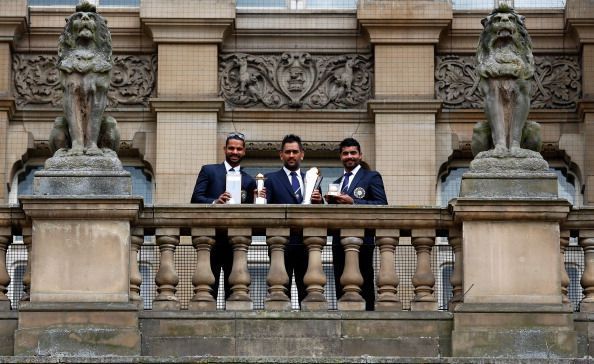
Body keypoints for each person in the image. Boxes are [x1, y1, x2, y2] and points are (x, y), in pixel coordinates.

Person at [190, 132, 258, 302]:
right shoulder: (209, 170)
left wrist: (258, 198)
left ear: (244, 152)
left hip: (236, 241)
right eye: (231, 148)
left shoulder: (249, 180)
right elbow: (196, 198)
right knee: (207, 290)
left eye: (239, 149)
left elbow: (250, 210)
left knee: (235, 289)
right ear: (225, 149)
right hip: (211, 239)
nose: (235, 152)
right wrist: (215, 201)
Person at [326, 137, 388, 311]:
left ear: (360, 155)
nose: (349, 156)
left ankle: (368, 317)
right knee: (340, 279)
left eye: (353, 153)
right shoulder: (337, 183)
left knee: (364, 280)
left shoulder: (371, 177)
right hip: (339, 240)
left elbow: (382, 205)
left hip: (363, 240)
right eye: (345, 153)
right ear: (340, 157)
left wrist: (352, 202)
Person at [264, 134, 322, 304]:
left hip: (307, 243)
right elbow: (264, 210)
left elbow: (320, 213)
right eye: (287, 152)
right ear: (281, 154)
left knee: (309, 291)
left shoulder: (311, 178)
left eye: (295, 152)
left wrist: (320, 201)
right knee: (280, 291)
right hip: (281, 243)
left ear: (302, 154)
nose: (291, 155)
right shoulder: (270, 179)